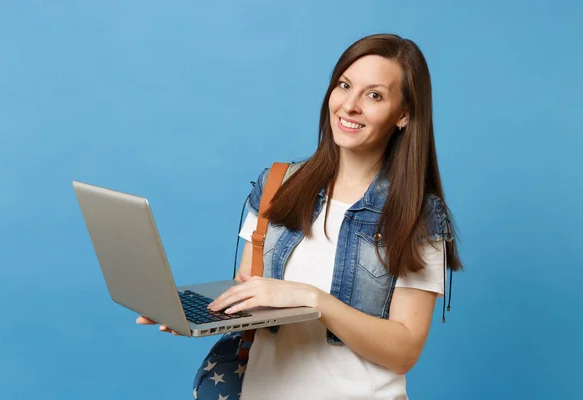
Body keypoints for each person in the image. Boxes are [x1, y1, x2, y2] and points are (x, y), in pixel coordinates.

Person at [137, 33, 463, 399]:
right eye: (344, 85)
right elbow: (250, 294)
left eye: (374, 95)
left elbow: (405, 351)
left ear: (403, 114)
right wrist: (198, 317)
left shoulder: (418, 214)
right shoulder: (276, 185)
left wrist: (313, 299)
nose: (349, 105)